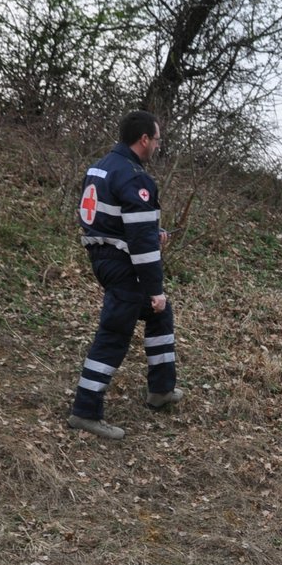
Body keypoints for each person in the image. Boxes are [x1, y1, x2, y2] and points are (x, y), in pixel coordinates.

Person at [66, 110, 183, 439]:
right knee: (114, 333)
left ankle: (161, 389)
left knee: (161, 315)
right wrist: (155, 288)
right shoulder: (135, 177)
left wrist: (149, 228)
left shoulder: (101, 167)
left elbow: (108, 216)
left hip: (103, 257)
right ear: (144, 139)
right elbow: (142, 246)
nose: (158, 146)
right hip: (124, 265)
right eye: (157, 139)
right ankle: (85, 411)